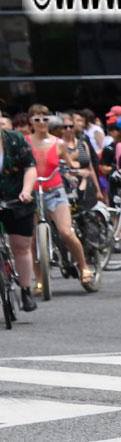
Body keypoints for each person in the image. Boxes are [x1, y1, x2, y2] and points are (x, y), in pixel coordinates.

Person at [25, 104, 93, 287]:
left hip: (54, 190)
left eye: (45, 119)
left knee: (65, 231)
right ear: (31, 122)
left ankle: (84, 266)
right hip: (32, 192)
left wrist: (77, 171)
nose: (41, 123)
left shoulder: (58, 143)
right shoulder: (25, 142)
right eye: (37, 119)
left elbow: (71, 164)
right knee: (31, 238)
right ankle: (39, 280)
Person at [1, 119, 39, 311]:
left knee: (21, 246)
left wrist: (26, 191)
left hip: (17, 199)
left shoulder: (15, 139)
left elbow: (30, 167)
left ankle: (25, 291)